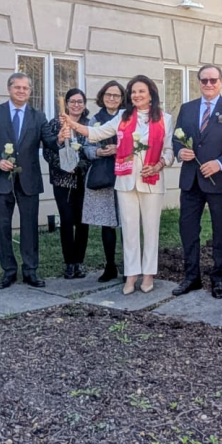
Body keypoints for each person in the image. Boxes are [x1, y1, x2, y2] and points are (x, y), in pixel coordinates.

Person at [61, 75, 174, 295]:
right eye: (133, 92)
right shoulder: (123, 116)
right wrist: (72, 124)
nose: (137, 95)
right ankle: (131, 274)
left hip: (152, 181)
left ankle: (148, 274)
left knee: (151, 229)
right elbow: (96, 133)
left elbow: (169, 151)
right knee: (129, 230)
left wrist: (159, 165)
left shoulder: (165, 119)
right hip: (125, 181)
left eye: (141, 91)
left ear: (151, 94)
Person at [171, 65, 222, 299]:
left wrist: (219, 163)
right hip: (191, 181)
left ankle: (218, 278)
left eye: (213, 80)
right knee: (188, 229)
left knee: (221, 232)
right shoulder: (187, 108)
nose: (208, 84)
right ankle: (191, 277)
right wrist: (180, 152)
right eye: (204, 80)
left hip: (221, 181)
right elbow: (176, 138)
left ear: (221, 82)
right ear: (199, 82)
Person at [0, 72, 57, 289]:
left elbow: (51, 142)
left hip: (29, 180)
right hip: (1, 180)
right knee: (2, 226)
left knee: (29, 227)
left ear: (30, 91)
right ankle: (9, 271)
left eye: (25, 88)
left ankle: (30, 270)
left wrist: (61, 137)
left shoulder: (38, 116)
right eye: (17, 87)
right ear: (9, 88)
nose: (21, 91)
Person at [42, 88, 90, 280]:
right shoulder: (56, 124)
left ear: (84, 105)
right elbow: (48, 151)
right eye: (72, 101)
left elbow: (93, 150)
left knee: (83, 221)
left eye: (80, 102)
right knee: (67, 219)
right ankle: (69, 262)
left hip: (83, 180)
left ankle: (79, 261)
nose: (76, 105)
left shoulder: (88, 125)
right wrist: (64, 164)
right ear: (67, 104)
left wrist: (79, 165)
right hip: (63, 180)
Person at [81, 80, 124, 283]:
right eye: (108, 95)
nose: (112, 98)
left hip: (125, 172)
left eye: (116, 95)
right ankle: (110, 265)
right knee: (107, 223)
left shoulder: (128, 117)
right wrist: (98, 152)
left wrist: (119, 149)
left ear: (122, 98)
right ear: (102, 97)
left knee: (127, 222)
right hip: (103, 175)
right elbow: (86, 147)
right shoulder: (95, 120)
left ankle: (130, 266)